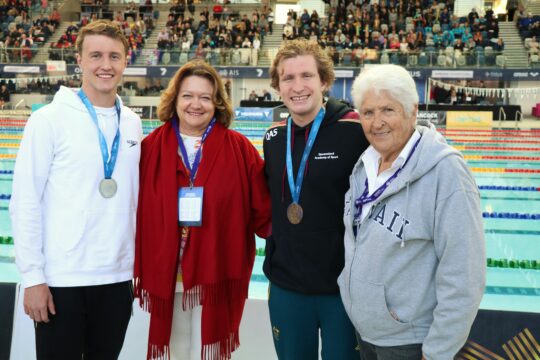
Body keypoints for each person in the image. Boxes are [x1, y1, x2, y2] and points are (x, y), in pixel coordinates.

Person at [9, 20, 142, 359]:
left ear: (126, 61)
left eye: (114, 56)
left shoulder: (132, 122)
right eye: (95, 55)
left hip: (116, 279)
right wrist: (34, 277)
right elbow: (25, 202)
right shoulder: (49, 119)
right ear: (79, 61)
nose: (105, 65)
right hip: (61, 280)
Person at [339, 64, 486, 360]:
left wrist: (437, 352)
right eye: (368, 113)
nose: (377, 122)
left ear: (413, 110)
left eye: (388, 110)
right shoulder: (364, 166)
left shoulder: (446, 172)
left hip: (412, 344)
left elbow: (464, 274)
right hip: (366, 334)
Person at [134, 59, 271, 360]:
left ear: (217, 103)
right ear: (175, 99)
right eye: (188, 96)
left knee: (208, 352)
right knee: (175, 350)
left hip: (216, 268)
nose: (196, 104)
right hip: (167, 270)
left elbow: (265, 209)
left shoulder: (239, 148)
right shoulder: (150, 148)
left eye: (205, 97)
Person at [263, 38, 369, 359]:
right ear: (278, 86)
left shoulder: (355, 132)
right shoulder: (273, 139)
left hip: (342, 290)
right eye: (288, 78)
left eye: (307, 76)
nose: (298, 86)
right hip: (287, 288)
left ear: (324, 81)